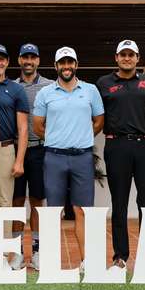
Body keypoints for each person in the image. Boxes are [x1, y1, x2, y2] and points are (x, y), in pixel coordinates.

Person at [32, 46, 104, 272]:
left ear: (76, 65)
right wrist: (57, 138)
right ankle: (52, 262)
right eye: (62, 63)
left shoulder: (90, 90)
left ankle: (87, 261)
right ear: (55, 66)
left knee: (83, 210)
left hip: (82, 157)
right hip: (54, 157)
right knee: (53, 211)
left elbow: (99, 121)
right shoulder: (45, 93)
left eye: (70, 62)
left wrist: (81, 136)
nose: (66, 66)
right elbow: (38, 126)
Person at [95, 39, 145, 269]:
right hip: (116, 146)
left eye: (131, 55)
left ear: (137, 58)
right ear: (116, 58)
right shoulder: (103, 83)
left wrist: (143, 121)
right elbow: (98, 113)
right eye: (122, 54)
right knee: (119, 203)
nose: (127, 58)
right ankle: (120, 256)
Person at [0, 43, 30, 269]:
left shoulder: (16, 89)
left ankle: (3, 255)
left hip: (5, 150)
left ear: (7, 63)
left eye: (2, 59)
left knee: (4, 203)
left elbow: (23, 129)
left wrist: (19, 159)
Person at [12, 43, 53, 270]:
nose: (29, 61)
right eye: (25, 57)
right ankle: (17, 252)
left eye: (33, 57)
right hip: (16, 150)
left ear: (38, 60)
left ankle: (37, 251)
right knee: (17, 201)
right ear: (19, 60)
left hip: (40, 148)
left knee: (38, 201)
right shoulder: (11, 86)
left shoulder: (49, 86)